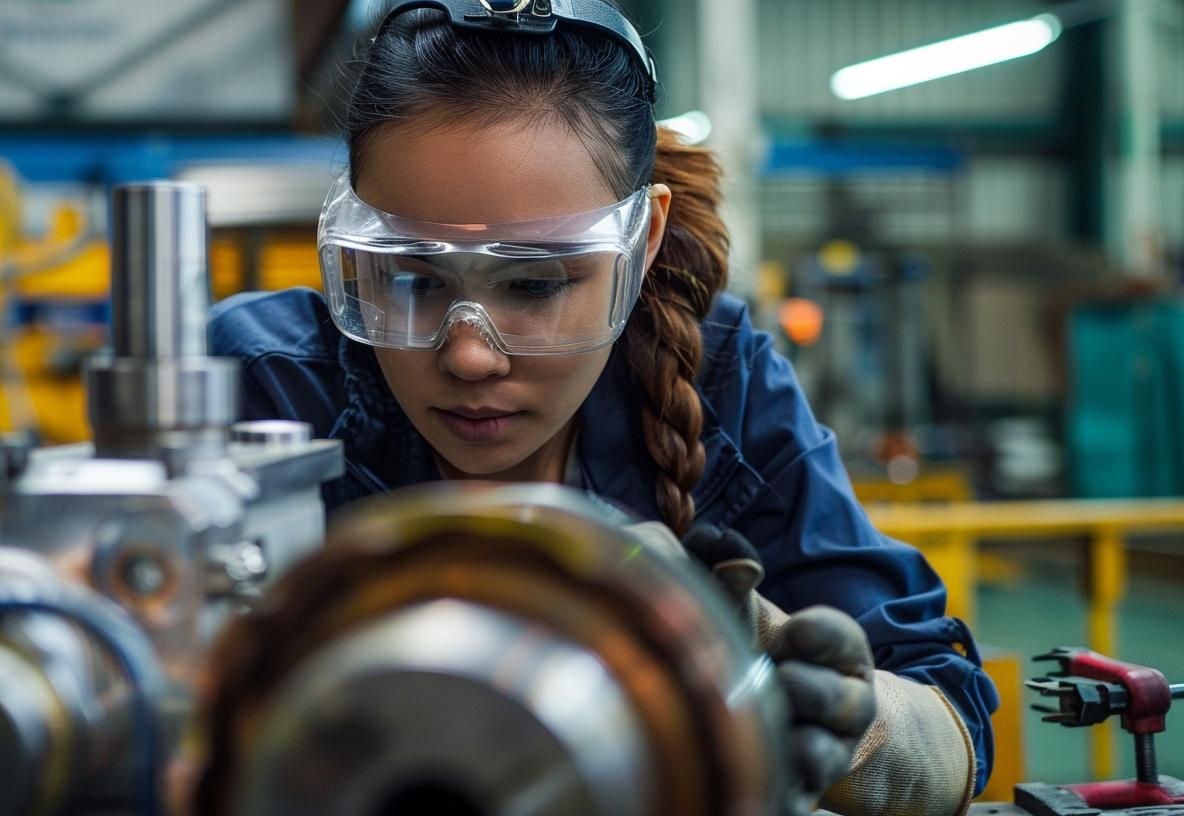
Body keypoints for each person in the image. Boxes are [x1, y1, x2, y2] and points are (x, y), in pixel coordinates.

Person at [208, 1, 998, 813]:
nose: (470, 353)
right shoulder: (261, 386)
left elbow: (951, 722)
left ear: (643, 242)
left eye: (535, 285)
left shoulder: (717, 377)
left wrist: (788, 672)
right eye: (411, 280)